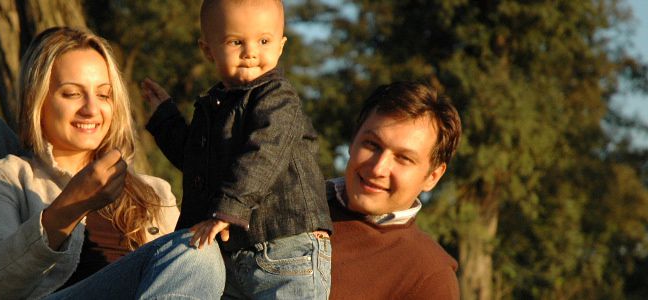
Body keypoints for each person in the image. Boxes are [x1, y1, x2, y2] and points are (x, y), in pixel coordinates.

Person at [0, 27, 225, 300]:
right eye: (71, 93)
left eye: (104, 94)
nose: (92, 109)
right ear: (39, 100)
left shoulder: (155, 190)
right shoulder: (7, 176)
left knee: (198, 254)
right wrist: (66, 210)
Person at [140, 0, 332, 298]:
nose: (251, 52)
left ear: (281, 46)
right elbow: (196, 163)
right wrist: (166, 118)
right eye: (236, 41)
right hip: (235, 252)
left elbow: (263, 154)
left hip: (287, 246)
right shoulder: (215, 106)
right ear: (208, 50)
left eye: (264, 40)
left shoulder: (278, 99)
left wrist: (228, 210)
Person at [327, 81, 461, 299]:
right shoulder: (284, 206)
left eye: (404, 158)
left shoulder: (427, 278)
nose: (379, 168)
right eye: (372, 145)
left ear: (432, 177)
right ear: (353, 141)